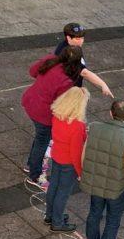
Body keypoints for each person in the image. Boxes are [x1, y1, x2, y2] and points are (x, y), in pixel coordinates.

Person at [80, 100, 124, 239]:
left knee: (94, 214)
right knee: (112, 221)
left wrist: (86, 174)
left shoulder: (95, 128)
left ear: (110, 113)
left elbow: (85, 154)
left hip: (95, 182)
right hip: (116, 188)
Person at [21, 46, 84, 187]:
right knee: (42, 142)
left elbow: (32, 71)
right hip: (43, 115)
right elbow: (60, 105)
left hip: (30, 101)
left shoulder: (50, 60)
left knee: (39, 138)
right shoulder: (67, 82)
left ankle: (31, 164)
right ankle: (35, 175)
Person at [44, 87, 88, 232]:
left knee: (53, 187)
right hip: (68, 163)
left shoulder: (57, 115)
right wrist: (80, 172)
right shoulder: (78, 126)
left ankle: (49, 216)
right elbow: (76, 152)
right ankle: (57, 222)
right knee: (63, 193)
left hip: (57, 156)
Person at [52, 23, 114, 96]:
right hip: (67, 90)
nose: (81, 41)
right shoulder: (70, 52)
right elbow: (84, 73)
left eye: (82, 38)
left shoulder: (67, 45)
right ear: (68, 38)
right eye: (77, 39)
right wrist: (103, 84)